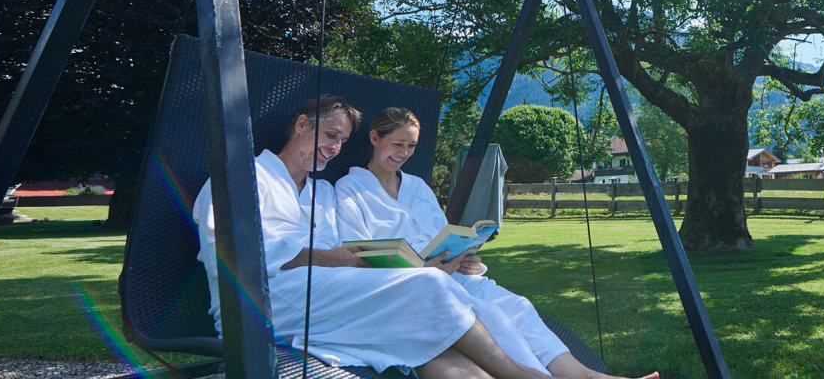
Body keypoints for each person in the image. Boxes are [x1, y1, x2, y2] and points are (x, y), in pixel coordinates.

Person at [192, 95, 656, 379]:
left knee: (428, 336)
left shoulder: (318, 192)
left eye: (338, 140)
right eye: (328, 135)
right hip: (261, 301)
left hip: (329, 293)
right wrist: (353, 259)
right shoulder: (240, 179)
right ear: (301, 125)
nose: (333, 148)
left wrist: (367, 258)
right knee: (428, 287)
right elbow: (239, 255)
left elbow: (343, 250)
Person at [334, 108, 583, 377]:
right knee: (492, 316)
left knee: (517, 306)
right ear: (374, 138)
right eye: (397, 144)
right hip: (411, 283)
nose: (404, 153)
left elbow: (445, 235)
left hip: (452, 274)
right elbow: (358, 253)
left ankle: (581, 374)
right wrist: (422, 269)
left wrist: (464, 258)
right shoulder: (350, 188)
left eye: (411, 146)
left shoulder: (418, 187)